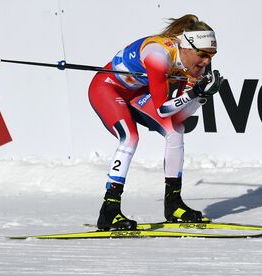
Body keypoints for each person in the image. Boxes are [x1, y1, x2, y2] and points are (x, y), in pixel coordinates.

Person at [88, 14, 223, 230]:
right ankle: (109, 210)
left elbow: (178, 114)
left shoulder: (196, 60)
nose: (207, 61)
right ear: (187, 48)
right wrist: (194, 93)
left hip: (136, 91)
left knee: (176, 130)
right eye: (203, 55)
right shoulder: (158, 55)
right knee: (130, 137)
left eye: (212, 55)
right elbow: (162, 108)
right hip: (107, 87)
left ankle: (174, 204)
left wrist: (201, 96)